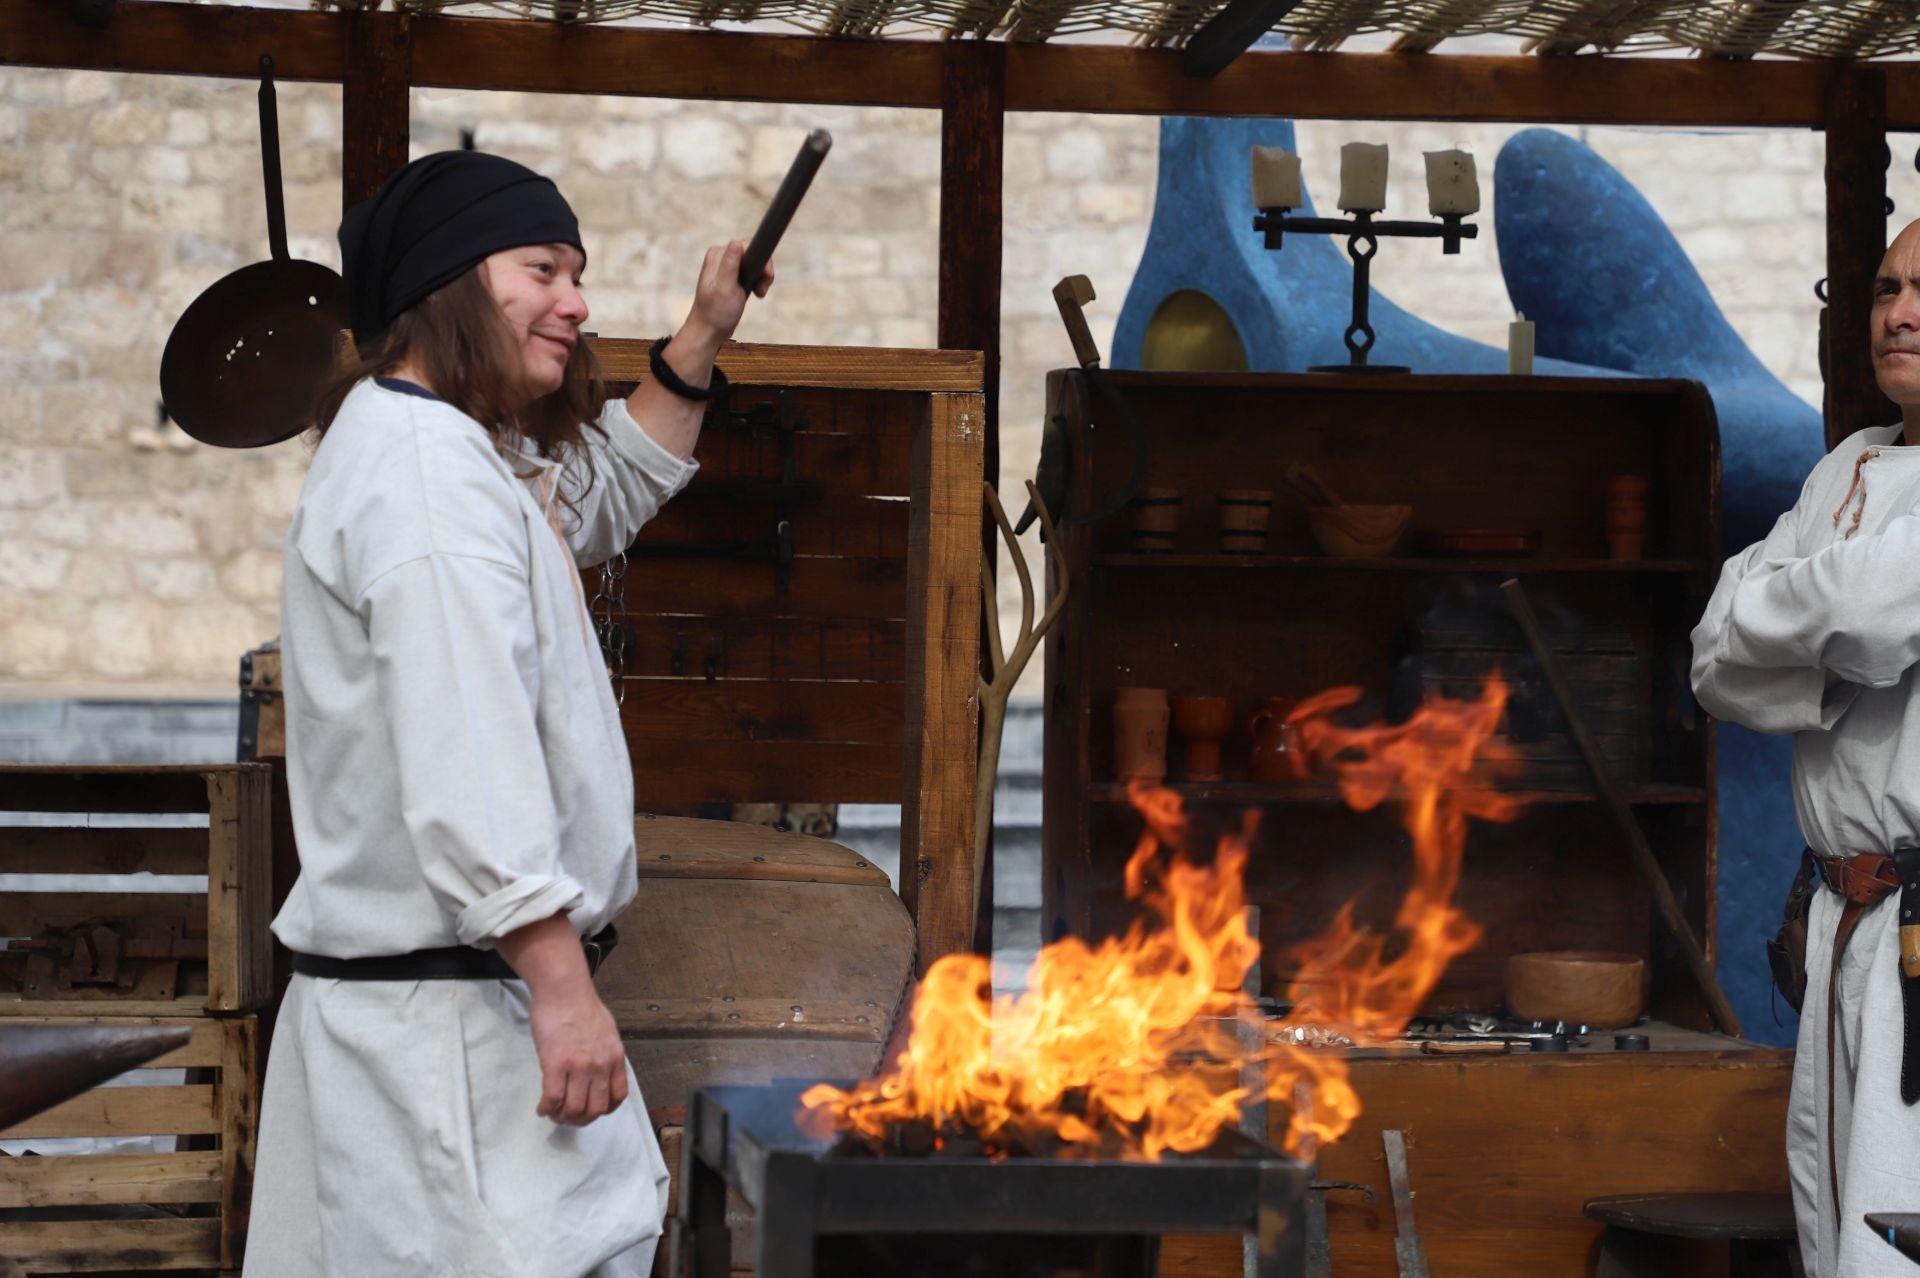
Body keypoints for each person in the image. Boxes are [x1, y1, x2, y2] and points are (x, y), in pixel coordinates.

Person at [244, 150, 771, 1278]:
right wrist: (561, 981)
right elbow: (463, 745)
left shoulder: (437, 451)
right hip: (440, 1042)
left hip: (434, 1025)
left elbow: (589, 505)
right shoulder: (427, 478)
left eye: (577, 272)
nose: (576, 302)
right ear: (448, 286)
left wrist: (701, 334)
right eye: (541, 268)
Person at [1692, 218, 1920, 1277]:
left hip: (1918, 936)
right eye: (1885, 289)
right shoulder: (1849, 466)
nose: (1901, 314)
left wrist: (1786, 612)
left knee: (1895, 1232)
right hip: (1838, 921)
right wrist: (1825, 643)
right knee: (1831, 1233)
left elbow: (1872, 609)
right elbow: (1714, 653)